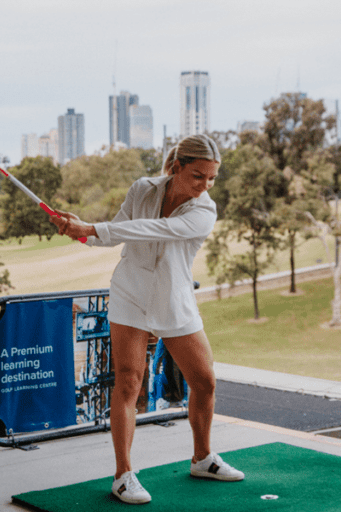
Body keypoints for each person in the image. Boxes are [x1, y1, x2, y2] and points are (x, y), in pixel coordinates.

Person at [51, 134, 243, 505]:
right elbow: (121, 229)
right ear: (176, 167)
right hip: (131, 295)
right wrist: (79, 231)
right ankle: (123, 475)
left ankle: (202, 458)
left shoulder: (204, 211)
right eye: (198, 176)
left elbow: (152, 230)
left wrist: (92, 228)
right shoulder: (142, 189)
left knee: (204, 381)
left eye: (212, 178)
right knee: (127, 382)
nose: (205, 186)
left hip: (174, 300)